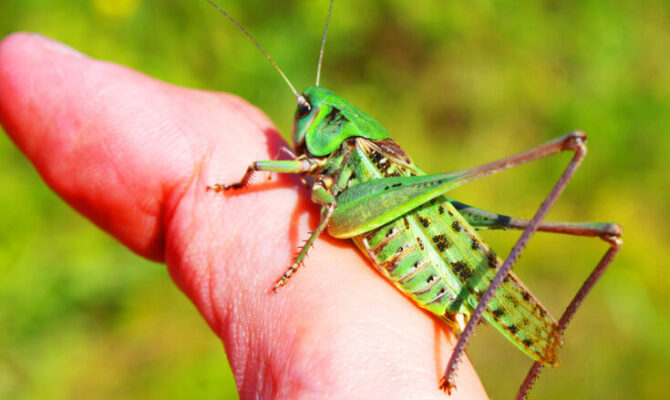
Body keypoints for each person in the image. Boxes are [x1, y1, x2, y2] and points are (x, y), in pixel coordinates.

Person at [0, 33, 488, 399]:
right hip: (393, 224)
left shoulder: (349, 152)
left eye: (307, 115)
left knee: (349, 204)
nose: (299, 126)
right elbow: (266, 167)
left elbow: (313, 197)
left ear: (332, 126)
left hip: (421, 255)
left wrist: (295, 260)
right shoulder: (330, 153)